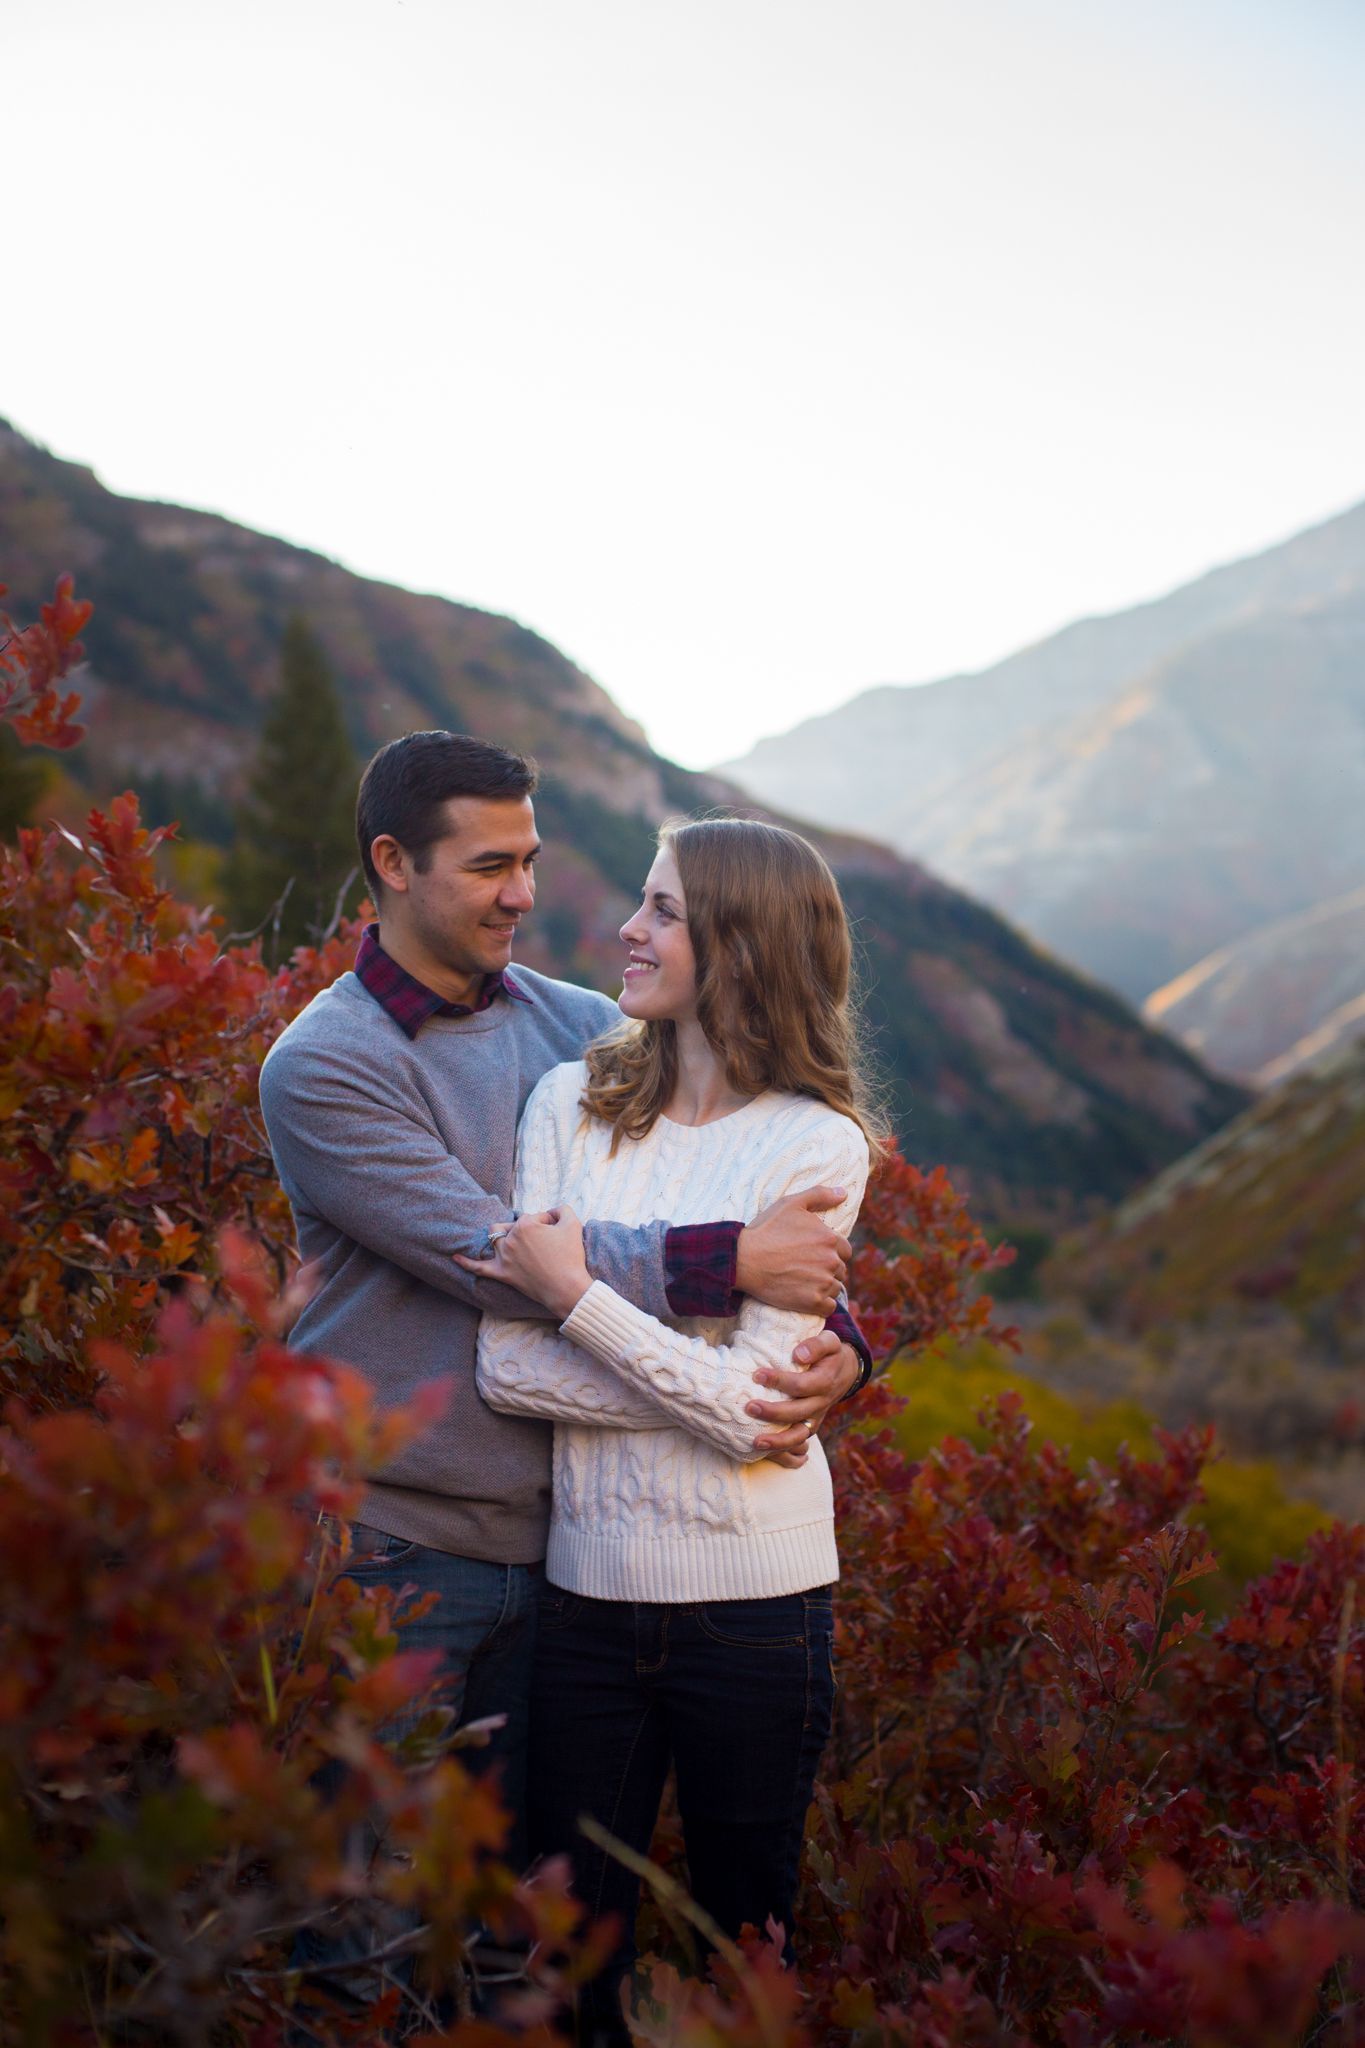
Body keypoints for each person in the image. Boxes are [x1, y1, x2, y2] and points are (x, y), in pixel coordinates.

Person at [257, 733, 872, 2017]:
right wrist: (733, 1258)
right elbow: (501, 1266)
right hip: (393, 1546)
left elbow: (735, 1157)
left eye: (529, 858)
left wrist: (844, 1337)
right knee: (361, 1921)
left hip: (563, 1564)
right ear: (392, 864)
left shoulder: (574, 1028)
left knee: (518, 1938)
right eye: (490, 865)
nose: (525, 892)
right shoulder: (329, 1063)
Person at [469, 816, 884, 2045]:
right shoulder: (569, 1103)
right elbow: (506, 1367)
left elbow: (755, 1412)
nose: (626, 931)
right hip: (586, 1600)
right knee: (567, 1955)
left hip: (759, 1610)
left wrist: (578, 1298)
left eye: (662, 910)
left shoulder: (817, 1141)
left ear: (743, 943)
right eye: (640, 903)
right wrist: (690, 1368)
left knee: (743, 1949)